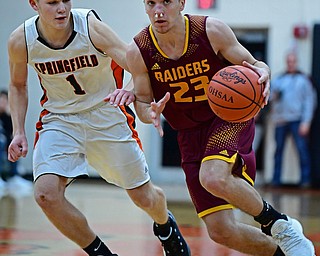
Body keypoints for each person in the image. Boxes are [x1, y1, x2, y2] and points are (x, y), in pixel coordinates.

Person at [109, 0, 316, 255]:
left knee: (213, 176)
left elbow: (256, 64)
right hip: (189, 133)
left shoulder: (209, 30)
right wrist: (149, 112)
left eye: (166, 2)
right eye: (151, 3)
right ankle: (282, 252)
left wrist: (264, 74)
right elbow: (142, 102)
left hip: (227, 118)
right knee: (221, 231)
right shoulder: (138, 50)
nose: (158, 10)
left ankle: (280, 225)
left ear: (182, 3)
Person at [7, 0, 190, 255]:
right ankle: (100, 253)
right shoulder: (21, 40)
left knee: (144, 197)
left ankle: (165, 226)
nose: (61, 8)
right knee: (45, 194)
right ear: (34, 4)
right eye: (52, 2)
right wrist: (18, 131)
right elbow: (17, 85)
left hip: (107, 114)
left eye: (65, 1)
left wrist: (128, 92)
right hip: (61, 119)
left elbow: (136, 65)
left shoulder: (90, 26)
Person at [270, 52, 316, 187]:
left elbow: (310, 102)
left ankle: (305, 180)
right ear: (286, 62)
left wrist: (306, 122)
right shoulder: (278, 79)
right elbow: (268, 98)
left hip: (297, 120)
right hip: (281, 120)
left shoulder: (304, 80)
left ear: (296, 62)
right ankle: (276, 180)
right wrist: (275, 96)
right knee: (278, 151)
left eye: (293, 61)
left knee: (302, 150)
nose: (291, 64)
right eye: (289, 61)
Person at [0, 90, 33, 197]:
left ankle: (13, 176)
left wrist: (10, 115)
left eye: (6, 100)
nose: (3, 103)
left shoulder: (6, 116)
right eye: (2, 99)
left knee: (13, 144)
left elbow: (11, 133)